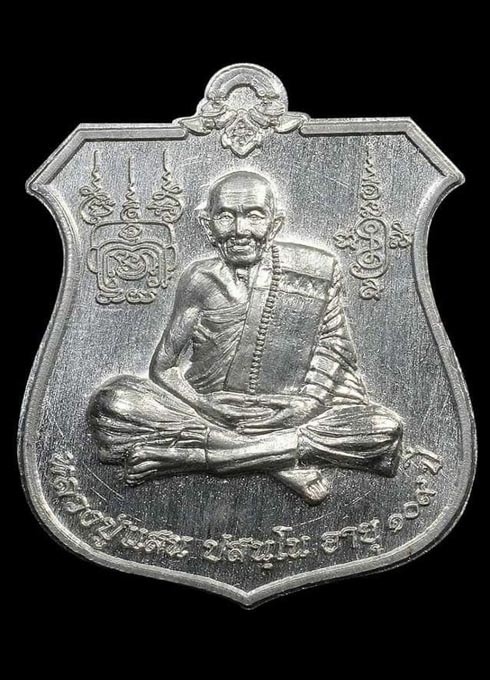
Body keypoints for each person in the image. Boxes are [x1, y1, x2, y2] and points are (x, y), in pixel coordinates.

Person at [88, 171, 403, 504]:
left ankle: (196, 457)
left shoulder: (316, 270)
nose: (240, 230)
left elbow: (334, 348)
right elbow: (163, 367)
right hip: (210, 409)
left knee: (382, 429)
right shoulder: (199, 279)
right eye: (226, 216)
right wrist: (206, 406)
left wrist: (305, 406)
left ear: (275, 224)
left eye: (254, 216)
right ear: (207, 225)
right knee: (113, 402)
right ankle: (279, 462)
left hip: (287, 412)